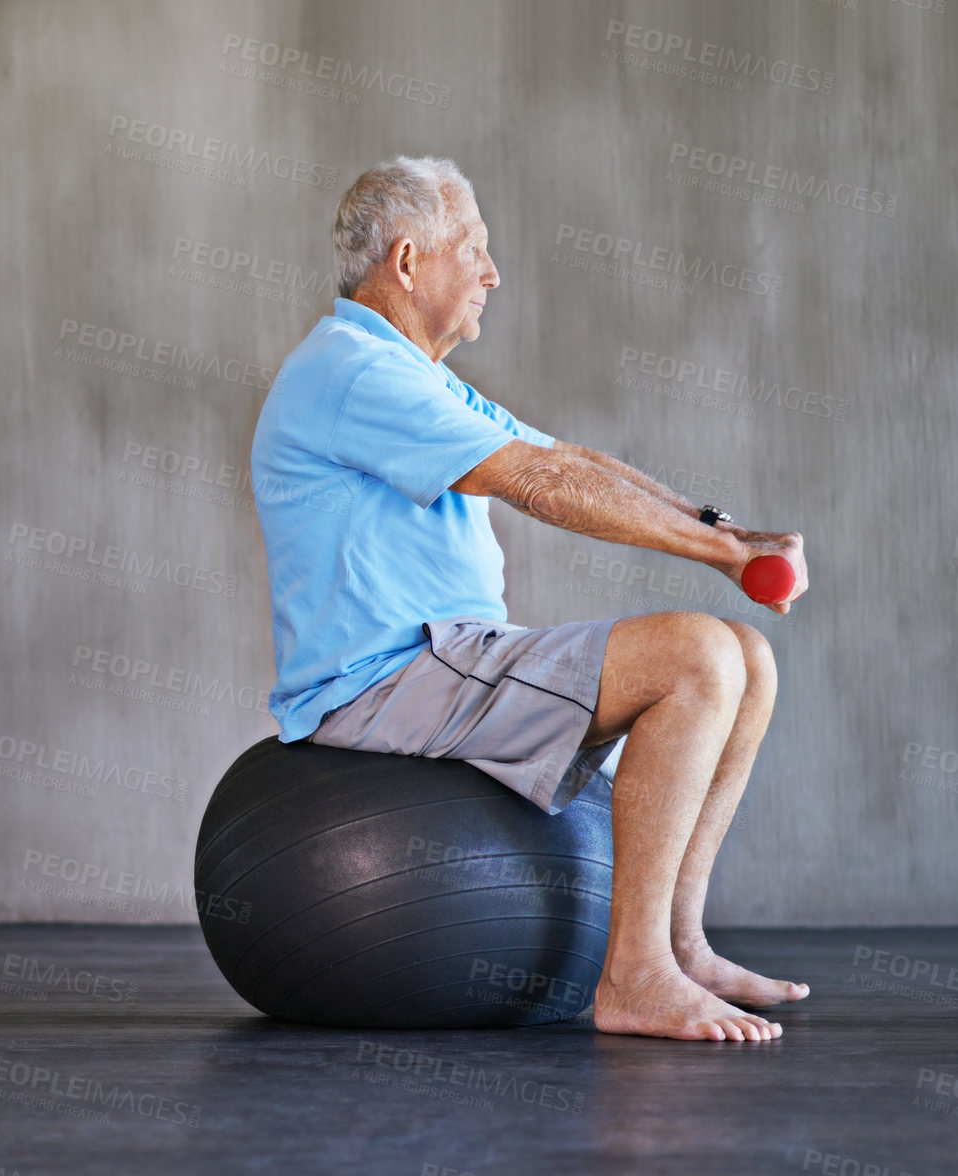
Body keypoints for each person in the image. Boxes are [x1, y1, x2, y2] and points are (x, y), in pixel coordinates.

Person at [249, 155, 811, 1043]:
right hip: (386, 677)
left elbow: (571, 459)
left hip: (448, 656)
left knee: (748, 657)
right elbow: (538, 483)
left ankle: (679, 945)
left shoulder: (417, 377)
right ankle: (633, 979)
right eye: (471, 247)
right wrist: (721, 555)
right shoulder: (353, 372)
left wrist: (729, 534)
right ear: (406, 261)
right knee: (696, 656)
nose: (490, 271)